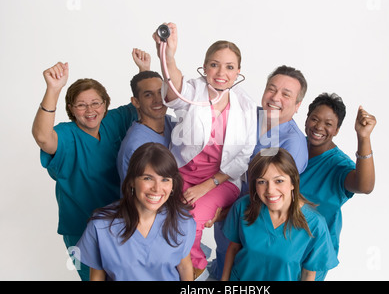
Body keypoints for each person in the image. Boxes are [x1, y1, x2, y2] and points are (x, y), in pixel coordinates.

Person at [153, 22, 257, 280]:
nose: (221, 72)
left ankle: (190, 270)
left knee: (192, 217)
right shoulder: (194, 90)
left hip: (221, 180)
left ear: (238, 72)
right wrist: (169, 56)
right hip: (180, 173)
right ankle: (167, 267)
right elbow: (174, 92)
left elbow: (244, 156)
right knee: (160, 217)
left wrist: (207, 186)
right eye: (214, 64)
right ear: (205, 66)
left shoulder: (246, 105)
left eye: (229, 67)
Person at [31, 54, 143, 280]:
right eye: (81, 105)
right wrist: (53, 89)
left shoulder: (114, 120)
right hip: (80, 227)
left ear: (105, 103)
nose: (90, 110)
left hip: (122, 222)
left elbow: (144, 102)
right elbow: (43, 138)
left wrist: (144, 69)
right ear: (71, 109)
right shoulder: (66, 134)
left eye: (95, 103)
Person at [210, 64, 310, 279]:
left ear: (298, 105)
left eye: (286, 94)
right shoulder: (249, 116)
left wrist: (225, 214)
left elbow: (273, 197)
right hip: (222, 214)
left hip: (249, 228)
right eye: (272, 89)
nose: (275, 97)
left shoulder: (293, 145)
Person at [76, 142, 196, 281]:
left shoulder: (182, 222)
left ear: (173, 185)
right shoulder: (101, 226)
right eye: (148, 178)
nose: (157, 188)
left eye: (165, 179)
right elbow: (97, 277)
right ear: (132, 181)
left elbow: (185, 267)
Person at [221, 148, 338, 281]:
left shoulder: (315, 224)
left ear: (293, 182)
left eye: (279, 181)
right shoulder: (242, 207)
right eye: (262, 182)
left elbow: (308, 274)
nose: (270, 190)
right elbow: (233, 249)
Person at [300, 93, 376, 280]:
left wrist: (363, 137)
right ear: (306, 119)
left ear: (337, 130)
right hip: (278, 243)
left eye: (328, 124)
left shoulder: (338, 164)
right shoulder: (293, 147)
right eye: (315, 119)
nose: (318, 127)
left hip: (311, 252)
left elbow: (364, 186)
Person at [117, 48, 175, 187]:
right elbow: (138, 198)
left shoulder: (172, 124)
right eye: (148, 95)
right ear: (135, 102)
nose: (158, 100)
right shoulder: (135, 146)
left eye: (160, 92)